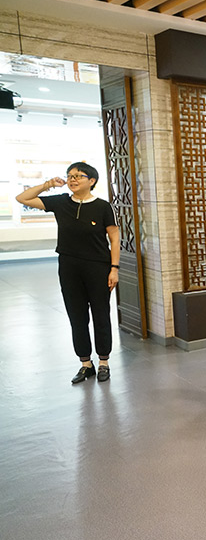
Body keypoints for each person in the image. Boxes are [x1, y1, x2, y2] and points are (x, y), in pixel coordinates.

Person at [16, 162, 120, 384]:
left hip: (98, 267)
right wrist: (48, 184)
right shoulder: (61, 202)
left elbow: (114, 238)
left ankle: (104, 362)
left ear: (92, 181)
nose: (73, 179)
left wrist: (114, 268)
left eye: (79, 176)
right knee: (76, 315)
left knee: (101, 314)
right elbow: (22, 198)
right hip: (69, 266)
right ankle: (86, 364)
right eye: (70, 175)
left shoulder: (103, 207)